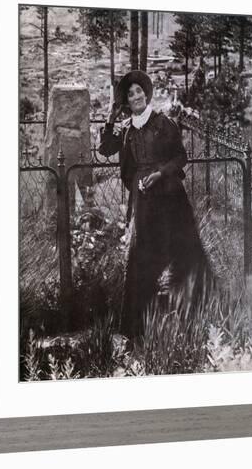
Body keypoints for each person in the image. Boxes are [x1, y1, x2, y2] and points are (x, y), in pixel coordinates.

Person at [99, 70, 208, 339]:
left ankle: (192, 316)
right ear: (125, 99)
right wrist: (112, 117)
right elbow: (105, 149)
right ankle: (138, 328)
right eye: (129, 93)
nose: (135, 96)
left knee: (182, 252)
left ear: (146, 94)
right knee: (140, 257)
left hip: (170, 197)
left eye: (138, 91)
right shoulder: (125, 129)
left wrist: (159, 173)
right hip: (143, 199)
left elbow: (181, 157)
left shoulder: (163, 123)